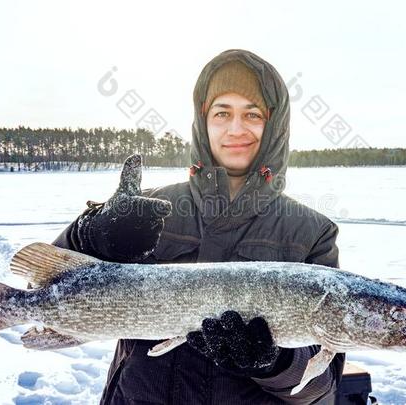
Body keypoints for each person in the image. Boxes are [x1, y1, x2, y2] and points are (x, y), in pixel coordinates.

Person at [52, 49, 345, 404]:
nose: (236, 128)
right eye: (222, 113)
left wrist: (276, 362)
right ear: (203, 121)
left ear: (274, 124)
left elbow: (322, 392)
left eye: (252, 113)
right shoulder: (149, 208)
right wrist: (89, 236)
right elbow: (45, 289)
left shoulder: (311, 233)